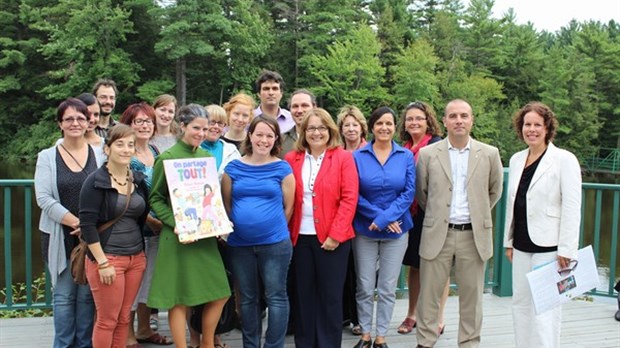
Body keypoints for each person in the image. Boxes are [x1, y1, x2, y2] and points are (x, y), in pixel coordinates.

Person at [415, 99, 503, 348]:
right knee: (429, 295)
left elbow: (494, 191)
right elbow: (422, 194)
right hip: (437, 233)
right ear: (444, 121)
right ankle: (425, 341)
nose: (459, 120)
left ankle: (469, 343)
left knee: (472, 298)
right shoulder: (428, 154)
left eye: (464, 115)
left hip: (472, 235)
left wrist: (476, 213)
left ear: (472, 119)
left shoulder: (489, 153)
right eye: (453, 116)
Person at [148, 104, 230, 348]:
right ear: (182, 126)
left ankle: (206, 343)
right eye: (196, 128)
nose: (202, 133)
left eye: (205, 129)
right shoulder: (167, 158)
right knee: (180, 299)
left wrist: (218, 220)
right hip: (178, 238)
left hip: (204, 237)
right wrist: (176, 223)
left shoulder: (205, 157)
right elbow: (155, 199)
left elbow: (210, 197)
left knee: (220, 292)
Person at [503, 102, 581, 348]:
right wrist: (508, 241)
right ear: (521, 127)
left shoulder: (564, 160)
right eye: (527, 124)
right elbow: (513, 204)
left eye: (538, 124)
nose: (532, 129)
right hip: (521, 245)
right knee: (521, 305)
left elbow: (571, 206)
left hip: (549, 247)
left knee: (545, 309)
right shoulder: (516, 159)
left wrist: (567, 249)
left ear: (547, 128)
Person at [284, 108, 358, 347]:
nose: (316, 133)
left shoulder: (343, 157)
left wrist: (335, 235)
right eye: (311, 128)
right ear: (303, 132)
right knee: (303, 296)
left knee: (330, 298)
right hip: (300, 238)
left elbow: (349, 198)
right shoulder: (291, 159)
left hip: (333, 239)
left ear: (330, 130)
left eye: (321, 128)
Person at [35, 98, 104, 348]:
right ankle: (62, 345)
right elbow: (43, 198)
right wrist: (78, 222)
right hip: (58, 234)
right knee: (63, 296)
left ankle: (83, 344)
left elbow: (107, 192)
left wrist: (89, 226)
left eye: (80, 118)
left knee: (87, 295)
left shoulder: (100, 154)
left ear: (88, 123)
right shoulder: (47, 156)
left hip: (92, 236)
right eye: (69, 119)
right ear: (60, 124)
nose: (75, 123)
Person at [221, 117, 295, 348]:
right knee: (248, 298)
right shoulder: (233, 168)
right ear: (250, 136)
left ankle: (274, 345)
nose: (264, 140)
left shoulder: (282, 168)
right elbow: (227, 205)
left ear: (276, 140)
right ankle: (250, 344)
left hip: (275, 244)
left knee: (276, 296)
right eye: (259, 134)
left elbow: (289, 207)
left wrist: (269, 227)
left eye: (269, 136)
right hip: (240, 244)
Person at [79, 124, 149, 348]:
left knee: (124, 317)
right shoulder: (95, 182)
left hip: (135, 258)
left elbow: (142, 215)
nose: (126, 149)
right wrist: (102, 263)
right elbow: (87, 225)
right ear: (107, 149)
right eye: (120, 144)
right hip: (108, 259)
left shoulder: (137, 180)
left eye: (130, 145)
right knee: (107, 320)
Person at [352, 106, 415, 348]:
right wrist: (380, 218)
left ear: (394, 126)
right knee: (365, 285)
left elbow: (408, 193)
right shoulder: (358, 156)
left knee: (387, 287)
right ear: (372, 126)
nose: (384, 128)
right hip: (365, 229)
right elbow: (353, 193)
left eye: (389, 123)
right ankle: (365, 334)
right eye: (379, 123)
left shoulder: (405, 156)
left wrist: (387, 219)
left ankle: (381, 337)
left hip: (398, 230)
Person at [118, 103, 173, 347]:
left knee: (149, 280)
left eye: (148, 121)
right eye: (138, 121)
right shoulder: (124, 155)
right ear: (128, 125)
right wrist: (149, 219)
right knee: (132, 282)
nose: (144, 125)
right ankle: (127, 333)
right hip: (133, 228)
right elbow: (123, 194)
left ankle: (144, 329)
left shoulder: (153, 150)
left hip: (157, 227)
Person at [396, 102, 449, 336]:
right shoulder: (403, 148)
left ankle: (438, 318)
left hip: (434, 215)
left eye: (419, 118)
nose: (414, 122)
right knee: (415, 266)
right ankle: (412, 314)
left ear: (428, 120)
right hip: (411, 216)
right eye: (409, 119)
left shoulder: (437, 146)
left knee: (439, 267)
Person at [336, 105, 368, 336]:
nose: (350, 129)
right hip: (341, 220)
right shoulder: (336, 152)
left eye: (354, 124)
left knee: (360, 272)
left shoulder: (370, 151)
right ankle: (343, 315)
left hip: (363, 219)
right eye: (346, 125)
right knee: (343, 270)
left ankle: (358, 318)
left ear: (362, 127)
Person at [201, 105, 241, 178]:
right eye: (212, 122)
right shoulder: (191, 148)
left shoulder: (232, 151)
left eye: (220, 123)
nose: (216, 127)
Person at [281, 89, 317, 156]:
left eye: (304, 105)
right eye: (295, 106)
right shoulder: (280, 141)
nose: (299, 110)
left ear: (314, 107)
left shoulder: (326, 138)